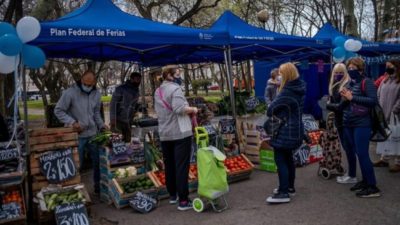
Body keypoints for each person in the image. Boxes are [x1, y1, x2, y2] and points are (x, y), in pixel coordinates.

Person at [54, 70, 107, 194]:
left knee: (98, 161)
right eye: (86, 84)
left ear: (94, 83)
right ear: (81, 80)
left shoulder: (96, 94)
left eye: (90, 85)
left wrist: (101, 125)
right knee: (77, 164)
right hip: (77, 135)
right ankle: (75, 191)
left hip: (93, 133)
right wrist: (72, 122)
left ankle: (99, 188)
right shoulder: (70, 93)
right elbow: (58, 110)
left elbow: (96, 113)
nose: (88, 87)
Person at [154, 65, 198, 211]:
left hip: (165, 133)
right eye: (178, 74)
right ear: (171, 76)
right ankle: (184, 201)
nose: (180, 76)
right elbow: (179, 109)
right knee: (181, 167)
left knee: (170, 166)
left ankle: (173, 195)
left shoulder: (158, 90)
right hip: (180, 133)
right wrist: (193, 109)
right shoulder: (175, 89)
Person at [339, 57, 380, 197]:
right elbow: (347, 103)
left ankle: (373, 187)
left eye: (353, 68)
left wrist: (352, 98)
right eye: (349, 68)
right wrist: (343, 98)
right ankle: (365, 181)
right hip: (349, 123)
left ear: (361, 69)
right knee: (358, 153)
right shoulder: (351, 83)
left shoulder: (367, 82)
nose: (350, 71)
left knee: (363, 154)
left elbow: (372, 101)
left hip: (362, 124)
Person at [265, 62, 306, 204]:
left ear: (286, 75)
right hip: (295, 129)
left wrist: (273, 103)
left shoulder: (286, 92)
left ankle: (283, 192)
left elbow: (270, 110)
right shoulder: (299, 88)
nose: (279, 76)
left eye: (281, 74)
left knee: (281, 160)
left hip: (285, 131)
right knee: (288, 159)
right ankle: (289, 187)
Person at [326, 63, 357, 184]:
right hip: (340, 120)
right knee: (347, 148)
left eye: (341, 72)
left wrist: (328, 105)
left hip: (345, 121)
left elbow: (341, 106)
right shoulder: (335, 85)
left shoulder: (346, 85)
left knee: (349, 148)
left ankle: (352, 175)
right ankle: (351, 173)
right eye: (336, 72)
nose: (338, 75)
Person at [373, 59, 400, 172]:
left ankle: (398, 162)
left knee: (397, 138)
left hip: (396, 115)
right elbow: (378, 94)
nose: (387, 68)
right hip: (383, 113)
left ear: (396, 67)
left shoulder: (399, 81)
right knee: (386, 136)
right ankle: (384, 159)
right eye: (386, 66)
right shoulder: (385, 80)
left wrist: (395, 109)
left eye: (390, 66)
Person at [110, 72, 141, 142]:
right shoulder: (120, 89)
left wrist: (137, 108)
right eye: (137, 79)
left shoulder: (136, 91)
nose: (138, 81)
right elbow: (113, 104)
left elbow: (133, 105)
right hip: (118, 121)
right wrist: (112, 119)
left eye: (140, 80)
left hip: (128, 122)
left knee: (128, 142)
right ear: (131, 79)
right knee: (117, 142)